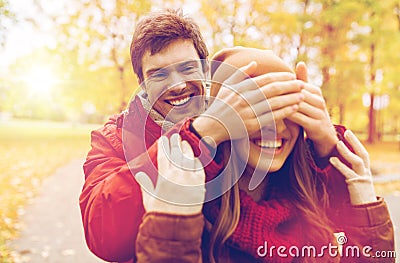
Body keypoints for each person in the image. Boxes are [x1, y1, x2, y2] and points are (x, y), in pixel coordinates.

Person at [80, 9, 304, 263]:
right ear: (142, 82)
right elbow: (103, 236)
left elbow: (294, 174)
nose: (177, 85)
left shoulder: (236, 113)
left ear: (205, 70)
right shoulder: (113, 138)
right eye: (158, 74)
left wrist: (328, 139)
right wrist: (200, 135)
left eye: (187, 69)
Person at [134, 47, 395, 263]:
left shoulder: (312, 208)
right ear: (224, 119)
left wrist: (366, 217)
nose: (275, 127)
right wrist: (172, 232)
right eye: (256, 110)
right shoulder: (190, 210)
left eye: (287, 109)